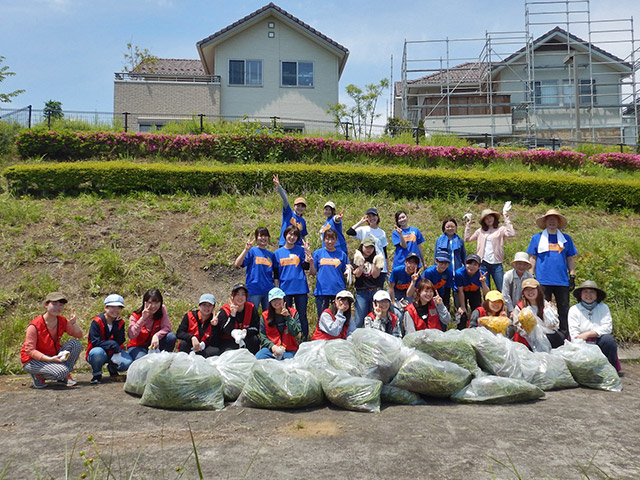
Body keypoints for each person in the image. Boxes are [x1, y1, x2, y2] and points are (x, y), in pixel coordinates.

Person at [527, 209, 578, 337]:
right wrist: (530, 276)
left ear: (558, 222)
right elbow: (533, 257)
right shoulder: (537, 238)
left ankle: (564, 335)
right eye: (549, 219)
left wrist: (572, 275)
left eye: (555, 219)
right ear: (545, 221)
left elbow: (570, 258)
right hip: (543, 279)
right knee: (543, 310)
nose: (552, 221)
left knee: (564, 309)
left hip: (561, 280)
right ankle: (544, 335)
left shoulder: (566, 239)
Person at [21, 292, 83, 388]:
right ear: (46, 305)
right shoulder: (34, 325)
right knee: (62, 371)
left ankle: (64, 374)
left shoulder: (62, 320)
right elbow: (29, 350)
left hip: (52, 354)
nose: (57, 308)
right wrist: (49, 359)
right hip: (32, 360)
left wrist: (74, 323)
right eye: (54, 304)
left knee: (76, 344)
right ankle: (38, 374)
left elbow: (78, 335)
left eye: (61, 305)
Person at [568, 280, 620, 371]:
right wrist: (582, 339)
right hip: (580, 342)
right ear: (580, 295)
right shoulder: (574, 309)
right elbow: (574, 333)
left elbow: (607, 328)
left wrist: (588, 334)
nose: (589, 295)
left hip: (599, 340)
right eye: (585, 292)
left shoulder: (603, 308)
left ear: (596, 295)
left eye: (592, 292)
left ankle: (609, 369)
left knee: (608, 340)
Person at [273, 225, 311, 340]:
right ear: (285, 235)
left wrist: (307, 253)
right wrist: (277, 289)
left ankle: (304, 339)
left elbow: (306, 266)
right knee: (286, 315)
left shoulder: (300, 250)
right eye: (290, 234)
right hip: (285, 288)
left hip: (300, 287)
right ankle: (289, 340)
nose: (292, 237)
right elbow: (276, 273)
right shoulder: (277, 253)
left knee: (302, 315)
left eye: (295, 235)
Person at [464, 208, 515, 291]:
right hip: (483, 263)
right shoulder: (480, 231)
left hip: (496, 263)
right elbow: (467, 239)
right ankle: (487, 303)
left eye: (490, 217)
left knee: (502, 287)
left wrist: (507, 219)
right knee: (485, 287)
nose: (489, 220)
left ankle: (502, 303)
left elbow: (511, 234)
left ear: (494, 218)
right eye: (486, 218)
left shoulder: (501, 229)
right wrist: (468, 225)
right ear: (484, 221)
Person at [86, 294, 133, 384]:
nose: (116, 310)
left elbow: (120, 340)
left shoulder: (120, 322)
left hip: (113, 352)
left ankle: (112, 368)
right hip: (99, 351)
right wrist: (112, 344)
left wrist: (116, 327)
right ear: (105, 308)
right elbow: (95, 341)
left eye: (119, 308)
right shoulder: (97, 321)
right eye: (112, 307)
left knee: (128, 362)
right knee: (97, 353)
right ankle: (97, 374)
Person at [511, 278, 565, 348]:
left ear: (538, 290)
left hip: (545, 335)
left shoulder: (546, 305)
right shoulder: (519, 307)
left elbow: (555, 325)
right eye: (527, 290)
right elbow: (517, 327)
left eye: (532, 289)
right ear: (523, 292)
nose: (530, 292)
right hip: (527, 339)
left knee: (560, 338)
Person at [234, 227, 276, 312]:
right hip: (253, 289)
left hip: (268, 290)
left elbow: (275, 273)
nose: (263, 238)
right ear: (256, 237)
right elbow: (237, 264)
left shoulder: (271, 255)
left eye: (265, 236)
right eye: (261, 236)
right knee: (251, 315)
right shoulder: (252, 251)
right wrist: (246, 250)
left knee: (268, 317)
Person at [348, 236, 383, 337]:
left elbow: (375, 275)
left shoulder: (377, 258)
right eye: (366, 247)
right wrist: (360, 262)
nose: (369, 250)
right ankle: (353, 339)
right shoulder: (356, 258)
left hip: (374, 291)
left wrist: (376, 263)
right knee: (358, 320)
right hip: (361, 292)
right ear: (362, 246)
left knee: (374, 318)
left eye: (371, 247)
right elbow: (357, 274)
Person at [309, 228, 349, 318]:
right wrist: (311, 263)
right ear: (324, 239)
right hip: (322, 292)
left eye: (332, 239)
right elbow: (313, 273)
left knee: (338, 318)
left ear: (336, 240)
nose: (330, 242)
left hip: (338, 292)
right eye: (327, 239)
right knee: (323, 318)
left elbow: (346, 272)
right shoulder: (318, 253)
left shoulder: (342, 255)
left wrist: (349, 271)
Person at [127, 289, 177, 361]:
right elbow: (131, 335)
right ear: (144, 302)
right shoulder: (135, 315)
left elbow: (167, 327)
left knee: (171, 337)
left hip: (155, 344)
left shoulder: (162, 310)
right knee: (144, 362)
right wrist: (143, 318)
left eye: (156, 303)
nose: (153, 306)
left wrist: (157, 336)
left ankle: (165, 363)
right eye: (150, 302)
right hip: (138, 346)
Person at [346, 207, 389, 285]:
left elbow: (384, 251)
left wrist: (387, 267)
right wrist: (361, 222)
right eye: (369, 216)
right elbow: (349, 232)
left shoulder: (382, 232)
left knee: (379, 290)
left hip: (380, 264)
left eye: (374, 216)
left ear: (378, 217)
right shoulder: (363, 229)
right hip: (367, 264)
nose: (372, 218)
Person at [256, 288, 301, 360]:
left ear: (284, 299)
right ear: (270, 302)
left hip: (289, 350)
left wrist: (288, 317)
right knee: (258, 358)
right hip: (271, 349)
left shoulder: (293, 313)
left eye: (279, 299)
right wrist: (272, 346)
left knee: (289, 366)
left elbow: (295, 332)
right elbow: (263, 336)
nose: (276, 302)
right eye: (273, 300)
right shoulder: (265, 315)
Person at [218, 283, 260, 354]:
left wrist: (246, 331)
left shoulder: (251, 308)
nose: (240, 297)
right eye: (237, 294)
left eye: (243, 294)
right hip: (229, 340)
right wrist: (232, 315)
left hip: (245, 337)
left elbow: (256, 327)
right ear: (232, 296)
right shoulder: (224, 310)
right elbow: (224, 330)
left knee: (254, 340)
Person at [176, 293, 221, 358]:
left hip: (204, 348)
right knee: (183, 344)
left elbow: (214, 343)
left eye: (209, 305)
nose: (206, 308)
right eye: (204, 305)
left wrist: (214, 327)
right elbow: (179, 333)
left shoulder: (215, 320)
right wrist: (192, 337)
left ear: (213, 307)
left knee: (215, 351)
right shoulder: (189, 316)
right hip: (191, 345)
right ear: (199, 306)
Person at [455, 254, 490, 329]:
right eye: (469, 263)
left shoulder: (482, 274)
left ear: (479, 266)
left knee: (477, 311)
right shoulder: (459, 273)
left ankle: (474, 330)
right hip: (460, 292)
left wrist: (483, 282)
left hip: (474, 291)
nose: (471, 266)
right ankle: (460, 331)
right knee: (462, 314)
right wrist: (463, 307)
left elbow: (487, 294)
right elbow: (460, 291)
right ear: (465, 264)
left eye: (475, 264)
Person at [273, 174, 307, 247]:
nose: (300, 208)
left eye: (302, 207)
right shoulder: (288, 213)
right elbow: (285, 199)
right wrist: (279, 186)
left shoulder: (303, 221)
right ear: (294, 206)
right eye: (298, 206)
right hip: (284, 245)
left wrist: (304, 246)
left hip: (296, 248)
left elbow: (302, 236)